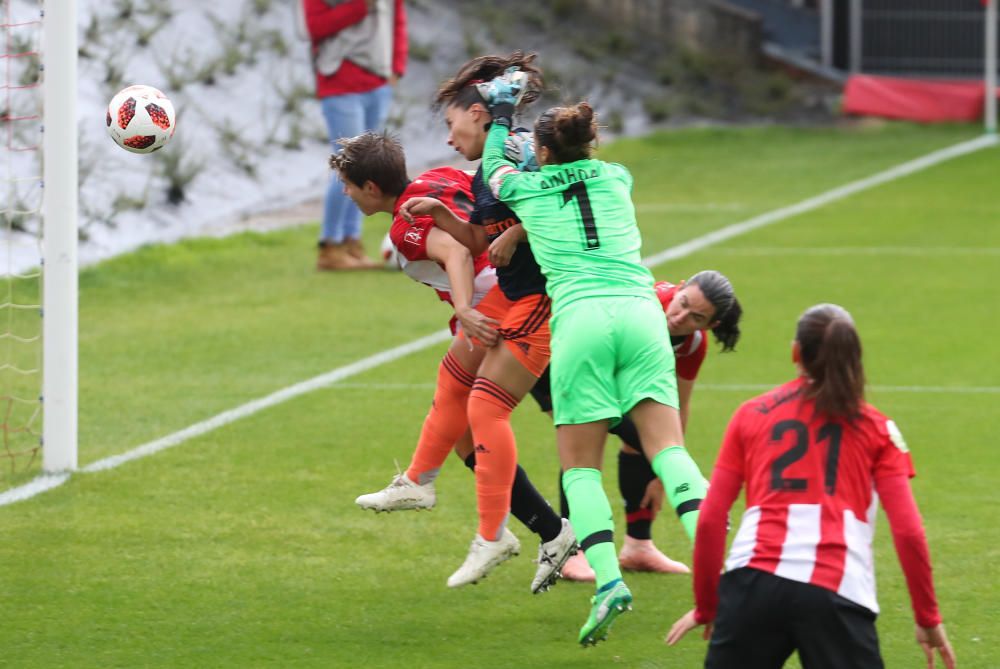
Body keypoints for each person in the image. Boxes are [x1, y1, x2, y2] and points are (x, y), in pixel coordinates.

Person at [471, 75, 711, 646]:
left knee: (581, 466)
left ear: (545, 152)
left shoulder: (524, 187)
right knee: (668, 451)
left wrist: (502, 113)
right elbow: (577, 187)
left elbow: (491, 170)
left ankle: (607, 583)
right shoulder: (617, 178)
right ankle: (724, 568)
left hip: (580, 318)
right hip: (640, 311)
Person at [330, 131, 576, 594]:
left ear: (370, 188)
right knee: (464, 427)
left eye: (347, 184)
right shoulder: (439, 177)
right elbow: (494, 195)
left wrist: (464, 308)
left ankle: (506, 530)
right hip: (509, 304)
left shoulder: (405, 227)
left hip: (513, 308)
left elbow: (458, 252)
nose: (343, 192)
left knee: (519, 416)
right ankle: (542, 530)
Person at [666, 304, 957, 669]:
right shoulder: (878, 429)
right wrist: (927, 619)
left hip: (750, 587)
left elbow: (710, 519)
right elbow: (909, 531)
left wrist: (708, 606)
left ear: (795, 352)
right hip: (836, 593)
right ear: (854, 356)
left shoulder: (750, 414)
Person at [397, 53, 562, 590]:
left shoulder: (518, 153)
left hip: (541, 300)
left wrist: (524, 231)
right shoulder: (492, 160)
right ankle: (418, 481)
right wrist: (441, 215)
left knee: (487, 408)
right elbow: (478, 240)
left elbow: (565, 212)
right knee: (454, 374)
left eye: (451, 124)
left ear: (477, 112)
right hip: (510, 298)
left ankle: (497, 538)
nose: (448, 139)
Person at [539, 272, 742, 582]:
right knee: (584, 442)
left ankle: (638, 546)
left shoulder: (692, 344)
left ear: (710, 326)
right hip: (554, 353)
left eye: (695, 317)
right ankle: (571, 551)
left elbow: (675, 405)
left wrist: (671, 467)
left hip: (609, 367)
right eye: (682, 303)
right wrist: (674, 469)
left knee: (645, 442)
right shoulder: (643, 306)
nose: (680, 317)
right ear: (680, 287)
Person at [302, 0, 407, 270]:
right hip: (340, 82)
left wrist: (396, 66)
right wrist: (359, 6)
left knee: (367, 166)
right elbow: (316, 27)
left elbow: (397, 18)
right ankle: (330, 245)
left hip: (378, 82)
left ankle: (352, 242)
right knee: (347, 165)